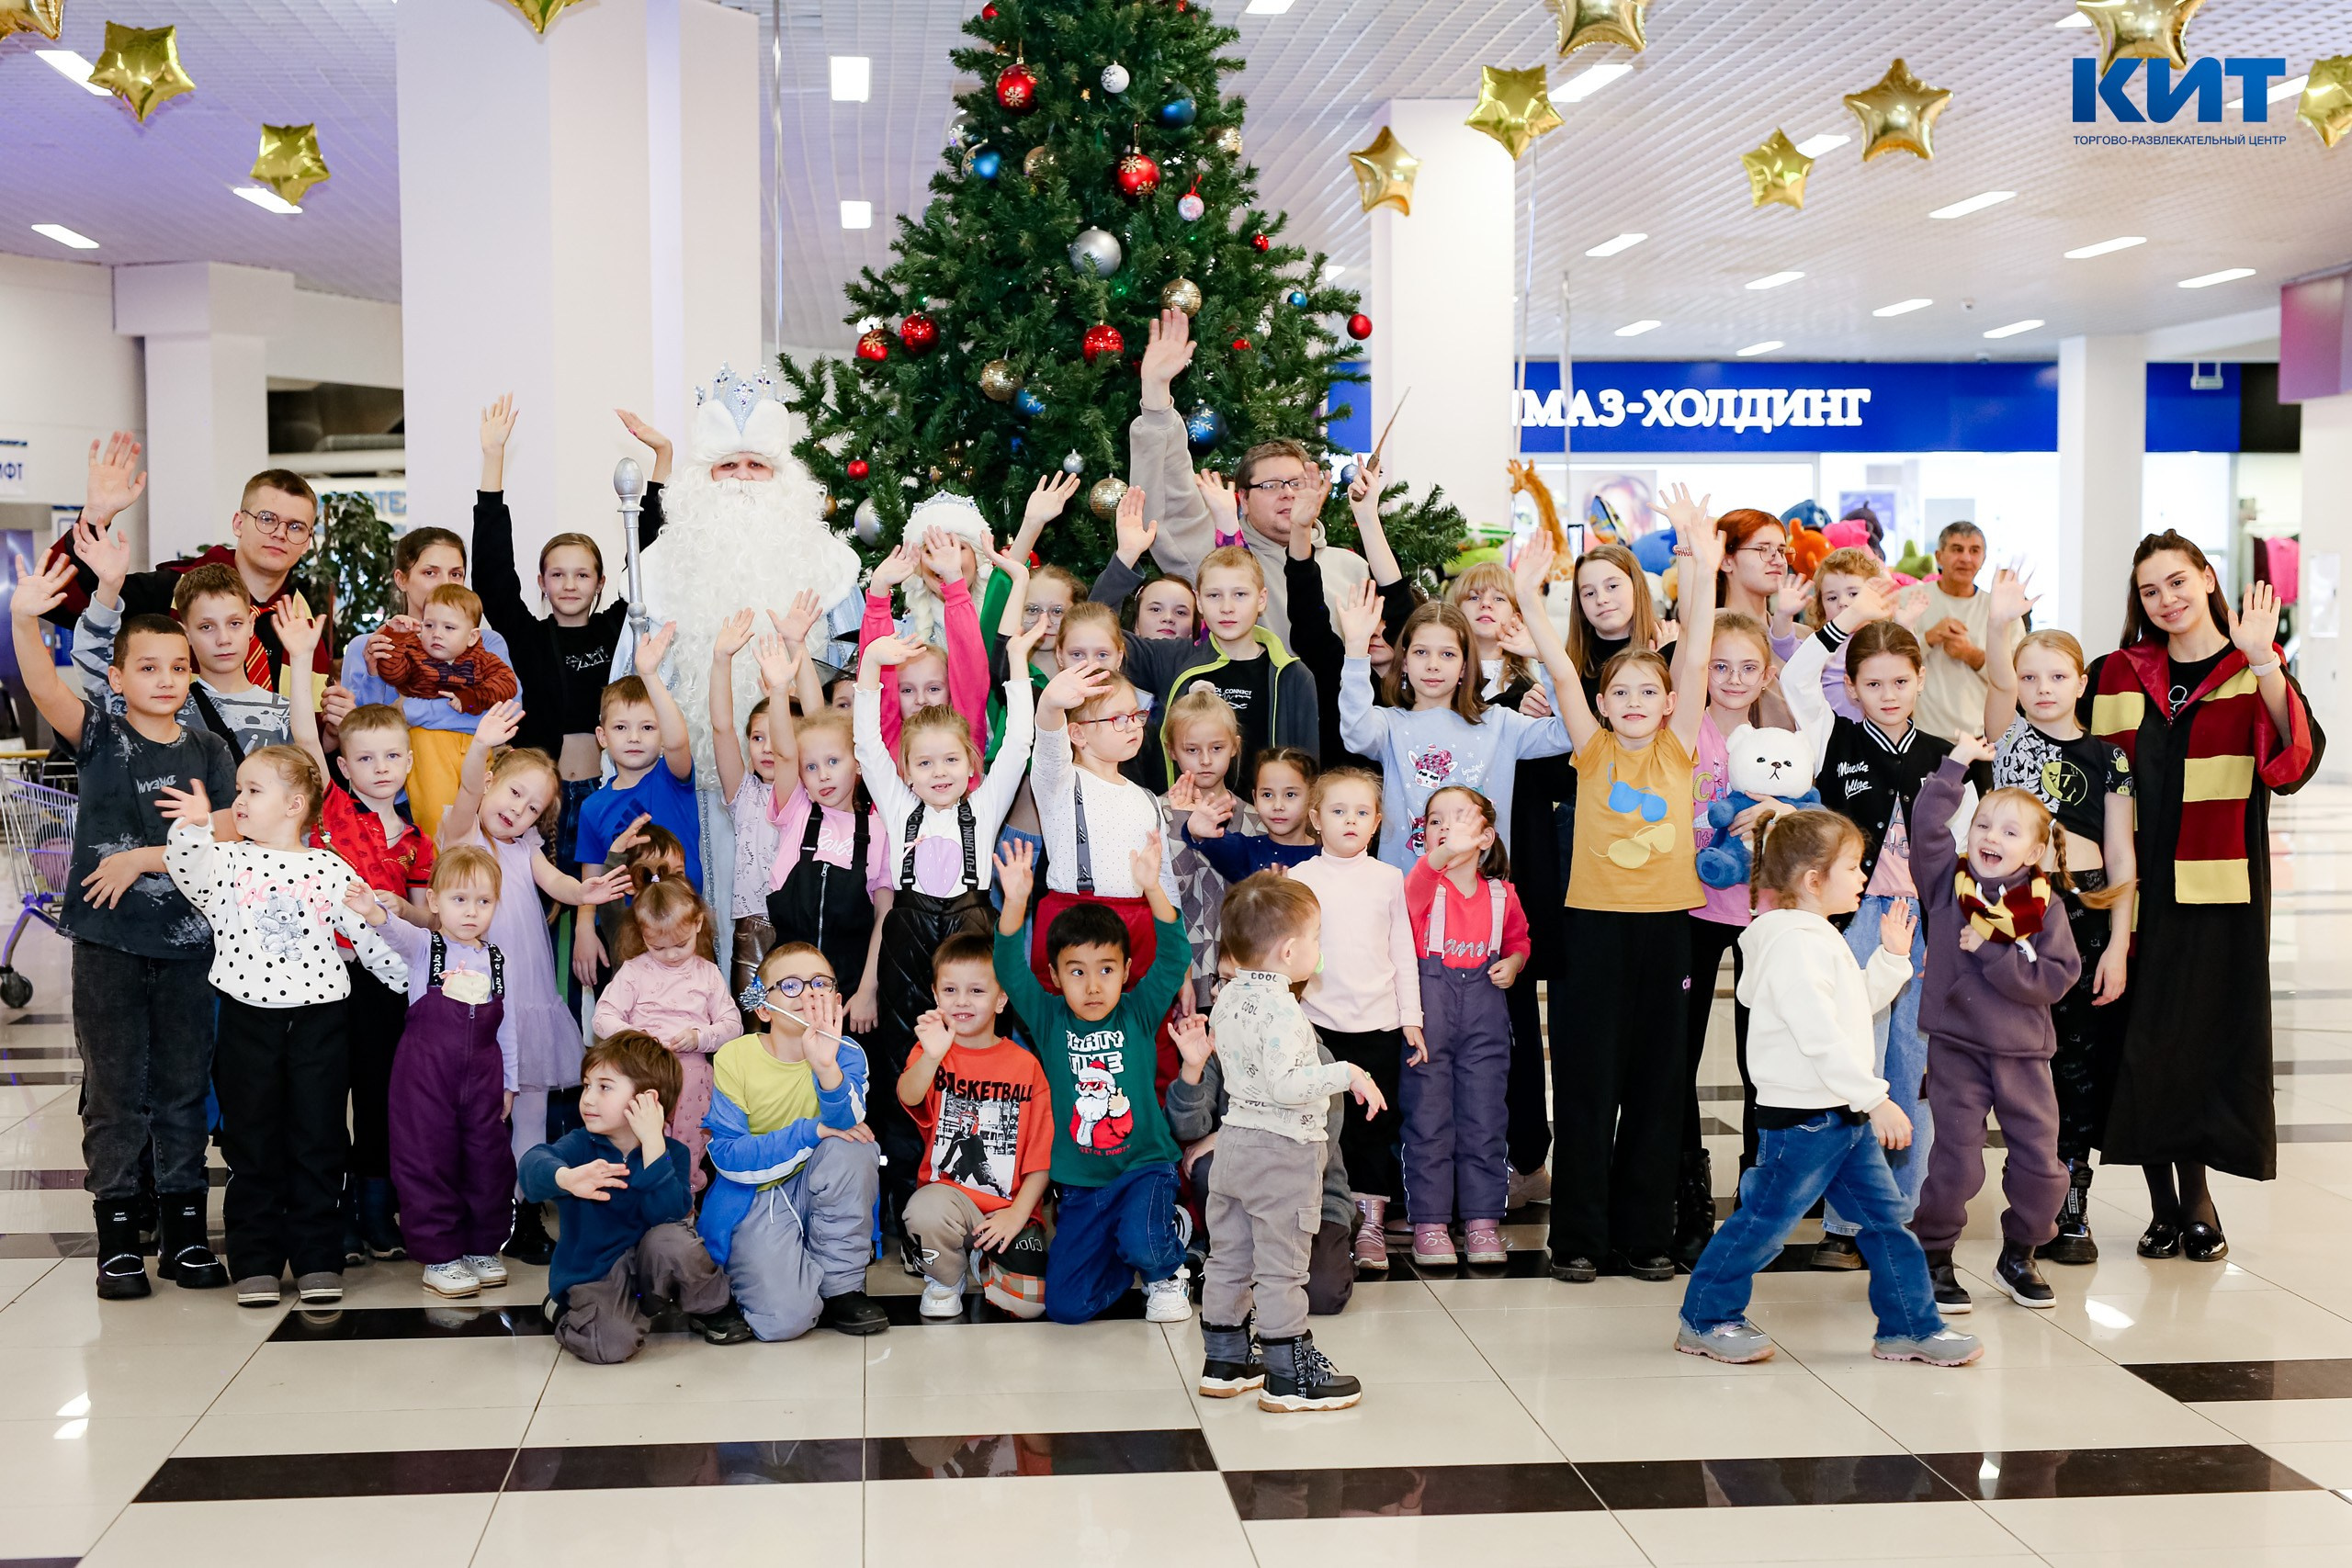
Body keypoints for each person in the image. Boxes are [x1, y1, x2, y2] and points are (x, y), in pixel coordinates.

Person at [1673, 809, 1982, 1369]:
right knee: (1763, 1225)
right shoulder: (1793, 944)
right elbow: (1819, 1035)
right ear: (1814, 880)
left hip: (1840, 1115)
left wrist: (1891, 958)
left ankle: (1910, 1327)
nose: (1864, 875)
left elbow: (1850, 1007)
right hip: (1804, 1122)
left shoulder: (1817, 936)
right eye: (1853, 866)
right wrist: (1875, 1098)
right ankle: (1705, 1318)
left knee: (1886, 1223)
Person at [9, 550, 237, 1301]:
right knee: (113, 1090)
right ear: (117, 676)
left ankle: (184, 1232)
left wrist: (169, 844)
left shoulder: (208, 749)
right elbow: (44, 685)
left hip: (190, 947)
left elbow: (236, 827)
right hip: (108, 943)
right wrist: (24, 619)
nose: (165, 679)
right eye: (148, 667)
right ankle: (117, 1240)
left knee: (181, 1088)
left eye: (178, 667)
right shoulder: (100, 735)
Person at [2088, 533, 2322, 1259]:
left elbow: (2292, 762)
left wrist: (2263, 659)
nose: (2166, 599)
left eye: (2177, 581)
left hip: (2216, 892)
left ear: (2208, 578)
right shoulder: (2118, 672)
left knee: (2197, 1039)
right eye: (2150, 590)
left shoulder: (2251, 669)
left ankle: (2197, 1202)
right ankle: (2165, 1207)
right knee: (2138, 1038)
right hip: (2129, 887)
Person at [612, 367, 867, 962]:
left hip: (813, 791)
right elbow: (629, 682)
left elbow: (852, 680)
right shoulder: (659, 568)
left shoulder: (831, 565)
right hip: (696, 788)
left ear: (784, 476)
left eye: (758, 465)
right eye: (728, 465)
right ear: (703, 476)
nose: (744, 480)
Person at [1533, 499, 1723, 1284]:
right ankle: (1579, 1235)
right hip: (1593, 929)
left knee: (1657, 1084)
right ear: (1603, 705)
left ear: (1670, 703)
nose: (1637, 703)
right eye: (1622, 694)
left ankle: (1646, 1234)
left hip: (1665, 928)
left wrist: (1704, 567)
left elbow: (1698, 653)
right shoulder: (1591, 749)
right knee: (1586, 1081)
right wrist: (1528, 595)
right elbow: (1558, 664)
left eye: (1650, 692)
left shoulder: (1678, 749)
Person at [159, 746, 411, 1308]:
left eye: (253, 790)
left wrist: (412, 982)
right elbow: (187, 871)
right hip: (247, 1019)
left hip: (321, 1020)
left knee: (319, 1137)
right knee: (252, 1139)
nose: (239, 801)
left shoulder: (328, 867)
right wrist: (194, 829)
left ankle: (318, 1256)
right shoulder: (226, 861)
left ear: (295, 805)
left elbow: (369, 937)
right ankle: (256, 1259)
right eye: (238, 791)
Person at [1781, 575, 1957, 1269]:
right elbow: (1797, 680)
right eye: (1873, 682)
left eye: (1900, 681)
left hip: (1925, 923)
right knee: (1856, 1058)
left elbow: (1964, 844)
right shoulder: (1835, 737)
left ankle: (1902, 1213)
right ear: (1851, 688)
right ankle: (1847, 1220)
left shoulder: (1945, 753)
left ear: (1920, 680)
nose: (1887, 693)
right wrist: (1842, 623)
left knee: (1913, 1062)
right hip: (1854, 920)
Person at [854, 627, 1040, 1224]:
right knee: (904, 1059)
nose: (939, 772)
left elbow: (1019, 741)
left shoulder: (983, 807)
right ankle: (907, 1199)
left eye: (951, 760)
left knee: (975, 1061)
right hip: (907, 940)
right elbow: (866, 745)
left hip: (970, 933)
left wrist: (1017, 662)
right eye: (925, 762)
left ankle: (982, 1190)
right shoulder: (898, 804)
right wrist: (870, 668)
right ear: (906, 771)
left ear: (971, 765)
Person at [1980, 569, 2136, 1263]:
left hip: (2089, 911)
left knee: (2077, 1062)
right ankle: (2029, 1192)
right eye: (2029, 677)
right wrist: (1999, 624)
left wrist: (2119, 944)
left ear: (2081, 683)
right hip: (2022, 910)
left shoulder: (2111, 759)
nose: (2042, 688)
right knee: (2023, 1062)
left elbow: (2123, 854)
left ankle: (2072, 1199)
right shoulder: (2008, 741)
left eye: (2057, 676)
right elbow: (1994, 685)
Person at [443, 702, 635, 1263]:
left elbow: (559, 883)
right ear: (490, 783)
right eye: (513, 793)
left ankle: (522, 1212)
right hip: (475, 1005)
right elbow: (467, 789)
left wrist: (586, 893)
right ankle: (468, 1210)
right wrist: (481, 744)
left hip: (526, 1002)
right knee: (477, 1111)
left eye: (533, 808)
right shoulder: (462, 833)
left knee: (529, 1112)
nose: (519, 810)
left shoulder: (526, 848)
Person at [278, 607, 435, 1267]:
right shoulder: (333, 810)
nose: (380, 768)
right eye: (365, 758)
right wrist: (301, 660)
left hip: (385, 983)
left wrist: (400, 910)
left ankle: (376, 1209)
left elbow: (428, 921)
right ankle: (332, 1212)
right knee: (322, 1095)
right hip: (326, 974)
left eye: (392, 756)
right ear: (343, 764)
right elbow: (303, 738)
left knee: (377, 1096)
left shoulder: (418, 840)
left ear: (408, 761)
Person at [1907, 739, 2083, 1314]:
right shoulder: (1946, 885)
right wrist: (1955, 765)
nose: (1991, 837)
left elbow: (2054, 978)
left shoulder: (2043, 907)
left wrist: (1989, 951)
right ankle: (1934, 1254)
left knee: (2041, 1166)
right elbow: (1926, 826)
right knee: (1956, 1162)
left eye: (2010, 832)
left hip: (2023, 1054)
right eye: (1982, 824)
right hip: (1957, 1049)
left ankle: (2020, 1253)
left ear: (2035, 850)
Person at [991, 838, 1196, 1325]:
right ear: (1055, 976)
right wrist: (1016, 902)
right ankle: (1130, 1254)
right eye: (1077, 972)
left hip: (1144, 1167)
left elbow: (1174, 956)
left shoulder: (1139, 1011)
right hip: (1082, 1186)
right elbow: (1009, 969)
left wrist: (1153, 889)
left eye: (1106, 970)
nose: (1092, 986)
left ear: (1126, 972)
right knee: (1066, 1308)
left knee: (1144, 1242)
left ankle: (1165, 1268)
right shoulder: (1048, 1019)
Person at [1198, 873, 1383, 1412]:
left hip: (1234, 1145)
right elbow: (1285, 1085)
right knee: (1282, 1266)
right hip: (1281, 1154)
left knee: (1229, 1257)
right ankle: (1289, 1374)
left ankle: (1225, 1361)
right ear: (1287, 951)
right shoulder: (1284, 1012)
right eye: (1316, 938)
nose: (1319, 949)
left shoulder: (1228, 997)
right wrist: (1346, 1072)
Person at [471, 397, 671, 874]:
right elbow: (493, 576)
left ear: (601, 583)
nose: (569, 584)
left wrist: (662, 458)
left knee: (607, 905)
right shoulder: (527, 637)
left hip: (609, 795)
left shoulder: (618, 629)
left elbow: (647, 558)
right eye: (557, 575)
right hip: (541, 803)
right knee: (545, 904)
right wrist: (493, 460)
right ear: (541, 583)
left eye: (582, 575)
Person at [1128, 309, 1370, 645]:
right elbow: (1168, 495)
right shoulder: (1217, 558)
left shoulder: (1352, 569)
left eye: (1296, 483)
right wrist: (1155, 395)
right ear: (1242, 497)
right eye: (1270, 485)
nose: (1287, 494)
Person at [518, 1032, 753, 1364]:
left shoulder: (671, 1153)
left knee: (675, 1239)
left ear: (647, 1101)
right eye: (586, 1086)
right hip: (596, 1274)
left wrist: (654, 1145)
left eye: (604, 1087)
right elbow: (532, 1164)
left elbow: (670, 1214)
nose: (588, 1099)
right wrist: (566, 1178)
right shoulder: (580, 1145)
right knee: (612, 1346)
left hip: (649, 1274)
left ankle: (711, 1309)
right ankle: (565, 1311)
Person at [700, 943, 889, 1339]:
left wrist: (826, 1067)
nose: (808, 994)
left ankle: (840, 1287)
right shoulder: (735, 1057)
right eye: (790, 985)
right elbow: (728, 1155)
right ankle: (751, 1278)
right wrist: (811, 1131)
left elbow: (847, 1122)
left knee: (854, 1147)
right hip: (757, 1197)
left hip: (819, 1183)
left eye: (819, 984)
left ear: (836, 1000)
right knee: (784, 1321)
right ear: (764, 1009)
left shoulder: (848, 1053)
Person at [43, 435, 335, 690]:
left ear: (307, 542)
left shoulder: (302, 618)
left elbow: (310, 717)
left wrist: (335, 723)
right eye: (267, 519)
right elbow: (56, 596)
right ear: (238, 523)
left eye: (296, 526)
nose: (280, 534)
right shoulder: (171, 590)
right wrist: (96, 515)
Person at [1094, 487, 1319, 789]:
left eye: (1240, 595)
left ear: (1261, 599)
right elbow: (1094, 632)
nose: (1227, 607)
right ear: (1199, 602)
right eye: (1214, 596)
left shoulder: (1292, 675)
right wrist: (1126, 557)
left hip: (1266, 818)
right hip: (1181, 816)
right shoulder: (1172, 658)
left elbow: (1307, 771)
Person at [371, 846, 521, 1299]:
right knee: (427, 1160)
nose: (471, 912)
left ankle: (481, 1246)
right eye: (459, 900)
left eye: (483, 901)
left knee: (487, 1161)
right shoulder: (426, 948)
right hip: (424, 1078)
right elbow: (394, 930)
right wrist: (373, 911)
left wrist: (509, 1083)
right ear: (435, 901)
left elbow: (508, 1026)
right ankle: (439, 1257)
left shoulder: (497, 960)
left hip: (484, 1079)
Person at [1335, 587, 1573, 872]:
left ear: (1464, 666)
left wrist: (1545, 656)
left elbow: (1568, 733)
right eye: (1421, 652)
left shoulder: (1500, 724)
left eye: (1448, 654)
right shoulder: (1389, 724)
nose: (1433, 665)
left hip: (1480, 889)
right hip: (1406, 888)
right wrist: (1355, 651)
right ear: (1405, 661)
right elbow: (1356, 734)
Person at [1678, 610, 1781, 1261]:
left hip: (1760, 915)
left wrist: (1781, 808)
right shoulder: (1681, 728)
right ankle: (1688, 1195)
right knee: (1678, 1055)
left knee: (1760, 1061)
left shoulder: (1779, 740)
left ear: (1766, 674)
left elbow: (1811, 812)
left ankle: (1758, 1195)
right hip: (1689, 908)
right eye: (1720, 666)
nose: (1734, 679)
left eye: (1747, 668)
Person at [1287, 769, 1421, 1270]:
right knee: (1323, 1129)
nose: (1350, 820)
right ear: (1316, 819)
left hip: (1378, 1026)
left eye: (1362, 812)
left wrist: (1411, 1016)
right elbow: (1288, 954)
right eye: (1338, 811)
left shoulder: (1389, 879)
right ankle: (1325, 1220)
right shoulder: (1300, 879)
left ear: (1377, 822)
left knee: (1373, 1127)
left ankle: (1370, 1223)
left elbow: (1402, 951)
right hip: (1317, 1027)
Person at [1401, 787, 1529, 1269]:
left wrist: (1514, 962)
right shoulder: (1421, 889)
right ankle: (1430, 1223)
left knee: (1484, 1120)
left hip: (1484, 1022)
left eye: (1459, 819)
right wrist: (1443, 853)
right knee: (1428, 1121)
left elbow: (1519, 941)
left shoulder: (1502, 895)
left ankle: (1482, 1220)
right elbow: (1420, 879)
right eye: (1435, 821)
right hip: (1429, 1024)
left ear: (1486, 837)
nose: (1445, 828)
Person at [896, 933, 1055, 1320]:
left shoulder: (1026, 1066)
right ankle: (944, 1277)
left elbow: (1041, 1159)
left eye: (977, 990)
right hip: (949, 1201)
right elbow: (908, 1095)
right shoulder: (932, 1052)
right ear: (936, 995)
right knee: (924, 1211)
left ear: (1001, 999)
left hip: (1008, 1209)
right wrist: (931, 1056)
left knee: (1029, 1305)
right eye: (951, 990)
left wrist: (1018, 1215)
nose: (962, 1001)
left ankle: (980, 1257)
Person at [1024, 655, 1182, 1005]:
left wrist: (1181, 967)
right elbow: (1049, 743)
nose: (1133, 726)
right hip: (1074, 924)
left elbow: (1165, 881)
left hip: (1141, 925)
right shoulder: (1060, 783)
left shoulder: (1148, 799)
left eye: (1136, 715)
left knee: (1145, 1027)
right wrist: (1050, 704)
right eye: (1118, 719)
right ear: (1077, 734)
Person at [71, 544, 291, 761]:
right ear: (186, 633)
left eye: (234, 623)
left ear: (251, 624)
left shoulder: (286, 712)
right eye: (207, 627)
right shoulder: (163, 702)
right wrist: (108, 589)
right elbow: (95, 663)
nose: (224, 639)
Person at [711, 604, 828, 1012]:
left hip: (799, 922)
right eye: (756, 738)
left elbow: (816, 723)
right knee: (752, 1021)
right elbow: (721, 728)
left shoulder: (803, 792)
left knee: (804, 1020)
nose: (767, 747)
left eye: (776, 737)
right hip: (753, 926)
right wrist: (721, 659)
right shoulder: (743, 793)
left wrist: (797, 649)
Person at [593, 876, 738, 1193]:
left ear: (698, 924)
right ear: (642, 934)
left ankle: (682, 1195)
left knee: (688, 1141)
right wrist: (635, 1037)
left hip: (690, 1076)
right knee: (637, 1137)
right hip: (642, 1072)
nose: (671, 955)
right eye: (657, 947)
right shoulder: (634, 971)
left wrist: (699, 1037)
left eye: (680, 944)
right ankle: (637, 1195)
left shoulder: (707, 973)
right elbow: (602, 1018)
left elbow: (732, 1025)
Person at [362, 585, 521, 835]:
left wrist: (471, 699)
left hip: (476, 745)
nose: (436, 634)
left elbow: (507, 686)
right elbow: (392, 673)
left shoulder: (483, 657)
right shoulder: (415, 652)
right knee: (436, 815)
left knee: (482, 816)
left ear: (472, 636)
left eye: (449, 628)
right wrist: (398, 638)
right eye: (429, 625)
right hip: (428, 743)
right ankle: (438, 858)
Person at [1905, 522, 2018, 744]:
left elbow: (2018, 679)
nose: (1966, 558)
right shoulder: (1909, 600)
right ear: (1939, 556)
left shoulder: (2001, 611)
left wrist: (1971, 655)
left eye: (1974, 551)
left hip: (1982, 739)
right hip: (1920, 736)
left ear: (1983, 559)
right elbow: (1887, 665)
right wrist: (1927, 639)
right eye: (1957, 549)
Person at [1180, 746, 1320, 882]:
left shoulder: (1328, 852)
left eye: (1290, 794)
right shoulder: (1244, 852)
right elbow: (1214, 840)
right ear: (1255, 799)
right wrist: (1199, 829)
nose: (1278, 806)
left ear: (1312, 797)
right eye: (1267, 795)